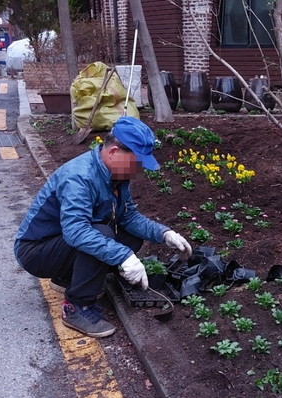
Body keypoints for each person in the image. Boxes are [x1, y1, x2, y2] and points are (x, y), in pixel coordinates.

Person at [14, 116, 192, 338]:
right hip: (36, 251)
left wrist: (164, 234)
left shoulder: (117, 176)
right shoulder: (79, 177)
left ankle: (67, 278)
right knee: (103, 234)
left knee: (130, 238)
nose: (140, 171)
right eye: (136, 163)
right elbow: (76, 230)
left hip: (60, 244)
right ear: (114, 152)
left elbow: (128, 217)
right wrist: (123, 257)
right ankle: (76, 307)